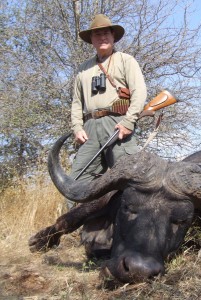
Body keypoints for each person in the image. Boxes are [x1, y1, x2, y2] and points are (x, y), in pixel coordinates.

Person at [67, 14, 147, 209]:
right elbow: (77, 103)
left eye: (105, 33)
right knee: (75, 181)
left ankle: (136, 233)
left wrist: (129, 122)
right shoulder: (83, 69)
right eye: (97, 34)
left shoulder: (126, 60)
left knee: (132, 181)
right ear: (92, 40)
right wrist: (77, 127)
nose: (102, 37)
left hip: (117, 125)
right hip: (90, 129)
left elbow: (140, 92)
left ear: (112, 36)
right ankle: (74, 232)